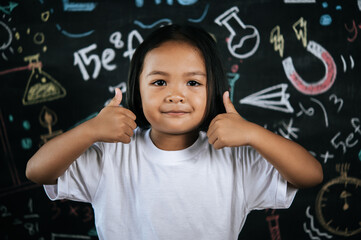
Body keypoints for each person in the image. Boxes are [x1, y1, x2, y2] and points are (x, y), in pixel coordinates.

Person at [26, 24, 323, 240]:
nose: (176, 95)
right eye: (159, 82)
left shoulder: (235, 159)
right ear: (136, 89)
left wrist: (254, 134)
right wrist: (90, 130)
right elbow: (37, 172)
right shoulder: (113, 155)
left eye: (193, 83)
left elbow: (310, 175)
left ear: (214, 89)